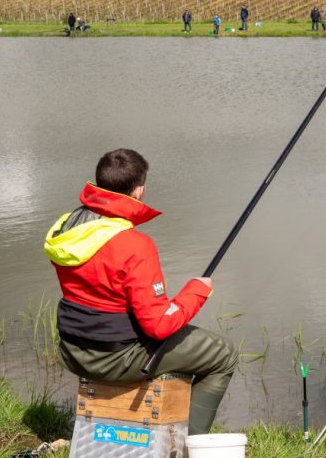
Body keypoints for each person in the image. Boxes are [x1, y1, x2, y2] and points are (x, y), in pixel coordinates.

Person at [44, 149, 238, 435]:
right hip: (113, 358)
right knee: (224, 355)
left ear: (98, 184)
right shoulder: (134, 245)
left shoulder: (68, 229)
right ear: (139, 190)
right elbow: (158, 326)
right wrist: (196, 291)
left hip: (73, 350)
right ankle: (189, 445)